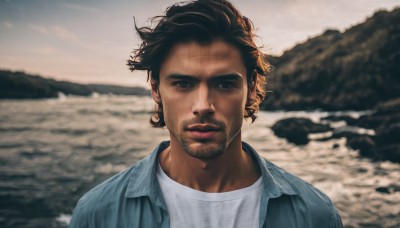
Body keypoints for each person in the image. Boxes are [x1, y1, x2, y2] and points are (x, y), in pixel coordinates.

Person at [70, 0, 343, 227]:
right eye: (183, 84)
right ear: (156, 89)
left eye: (224, 84)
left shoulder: (314, 215)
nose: (203, 105)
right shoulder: (98, 214)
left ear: (249, 89)